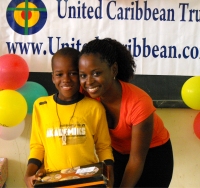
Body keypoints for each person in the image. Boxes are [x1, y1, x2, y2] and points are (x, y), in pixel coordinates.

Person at [78, 38, 174, 188]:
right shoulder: (86, 93)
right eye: (83, 75)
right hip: (119, 154)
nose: (89, 82)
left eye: (96, 73)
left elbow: (136, 160)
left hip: (153, 157)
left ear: (114, 70)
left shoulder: (139, 102)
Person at [24, 47, 114, 188]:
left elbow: (103, 147)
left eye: (73, 73)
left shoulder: (94, 108)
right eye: (59, 74)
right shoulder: (41, 106)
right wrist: (28, 174)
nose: (66, 79)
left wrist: (109, 175)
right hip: (53, 180)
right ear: (53, 77)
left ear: (81, 75)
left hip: (88, 181)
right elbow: (37, 146)